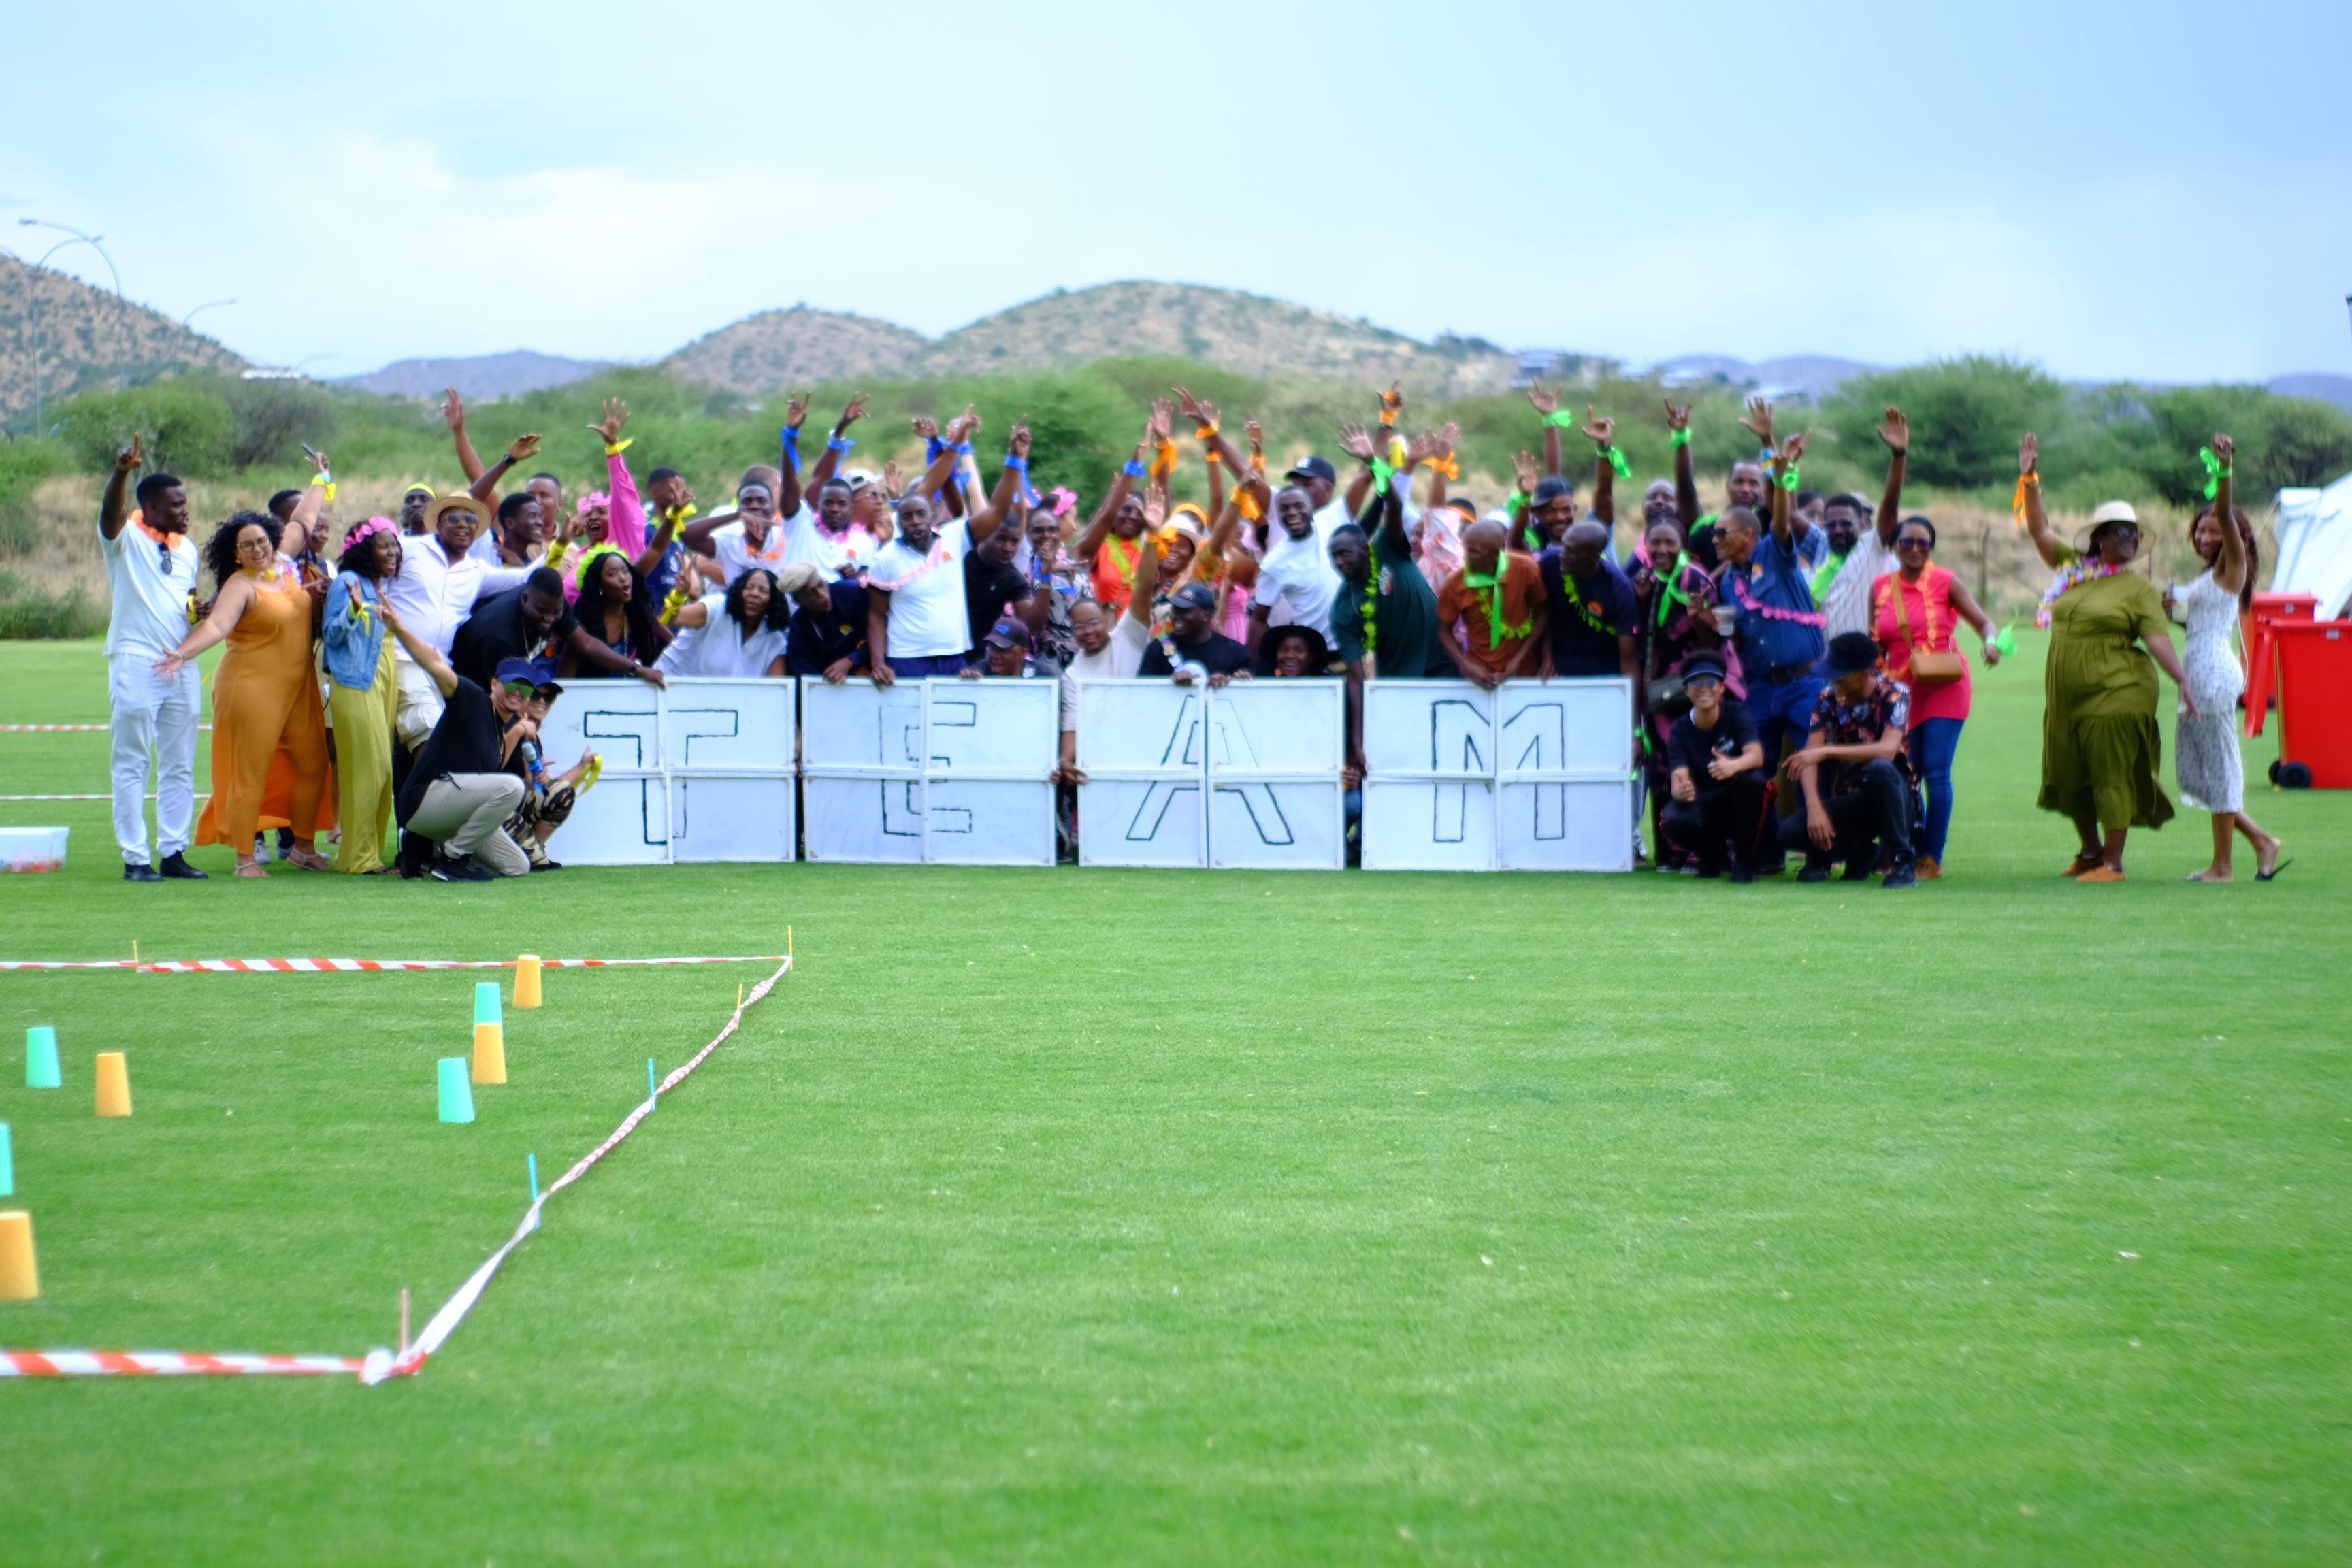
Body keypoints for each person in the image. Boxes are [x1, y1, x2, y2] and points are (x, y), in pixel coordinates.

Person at [2016, 435, 2193, 881]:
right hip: (2068, 698)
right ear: (2098, 539)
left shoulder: (2137, 589)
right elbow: (2039, 530)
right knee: (2068, 771)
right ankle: (2091, 852)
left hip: (2118, 691)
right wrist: (2029, 478)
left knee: (2111, 772)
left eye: (2135, 534)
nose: (2131, 539)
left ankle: (2113, 863)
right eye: (2122, 532)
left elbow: (2157, 639)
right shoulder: (2074, 568)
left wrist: (2182, 680)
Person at [154, 489, 336, 877]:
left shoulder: (283, 564)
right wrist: (183, 654)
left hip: (298, 686)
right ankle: (245, 859)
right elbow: (218, 626)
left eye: (262, 542)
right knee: (249, 771)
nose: (257, 550)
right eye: (247, 546)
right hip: (251, 687)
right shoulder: (239, 584)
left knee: (313, 763)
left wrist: (320, 481)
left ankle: (303, 847)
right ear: (236, 554)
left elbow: (303, 521)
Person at [2172, 436, 2284, 881]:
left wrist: (2224, 468)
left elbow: (2223, 510)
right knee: (2199, 772)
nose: (2205, 536)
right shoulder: (2208, 576)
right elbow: (2196, 627)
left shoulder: (2232, 565)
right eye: (2200, 531)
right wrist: (2175, 614)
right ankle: (2261, 841)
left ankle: (2223, 866)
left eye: (2213, 531)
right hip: (2198, 672)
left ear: (2233, 535)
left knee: (2219, 769)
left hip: (2214, 674)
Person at [1714, 427, 1827, 869]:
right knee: (1753, 767)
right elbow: (1736, 636)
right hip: (1762, 687)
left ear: (1747, 534)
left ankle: (1819, 856)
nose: (1715, 539)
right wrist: (1710, 620)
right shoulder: (1729, 580)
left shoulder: (1773, 553)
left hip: (1804, 681)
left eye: (1722, 533)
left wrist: (1779, 478)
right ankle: (1764, 854)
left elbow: (1780, 521)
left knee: (1810, 763)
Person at [96, 438, 207, 880]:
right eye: (176, 505)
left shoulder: (187, 549)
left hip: (181, 664)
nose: (185, 511)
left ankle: (174, 852)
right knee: (132, 761)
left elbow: (186, 602)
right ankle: (136, 858)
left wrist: (200, 610)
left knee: (180, 763)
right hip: (137, 661)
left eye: (185, 503)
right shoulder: (124, 538)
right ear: (151, 508)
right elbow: (110, 513)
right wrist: (122, 471)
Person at [1869, 514, 2001, 878]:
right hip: (1901, 691)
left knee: (1936, 771)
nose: (1915, 549)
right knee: (1907, 772)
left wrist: (1990, 644)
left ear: (1931, 548)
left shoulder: (1946, 582)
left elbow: (1985, 622)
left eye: (1923, 543)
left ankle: (1931, 857)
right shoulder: (1880, 587)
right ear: (1895, 546)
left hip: (1944, 684)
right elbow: (1875, 642)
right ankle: (1906, 849)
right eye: (1907, 542)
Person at [382, 608, 536, 882]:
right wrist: (398, 629)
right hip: (423, 802)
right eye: (511, 684)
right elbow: (434, 663)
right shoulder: (474, 699)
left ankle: (432, 851)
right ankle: (452, 858)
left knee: (517, 866)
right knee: (512, 786)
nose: (517, 692)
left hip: (453, 814)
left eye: (525, 689)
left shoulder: (498, 737)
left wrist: (519, 730)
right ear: (494, 684)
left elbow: (489, 778)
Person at [868, 421, 1022, 684]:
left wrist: (1015, 458)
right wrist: (878, 663)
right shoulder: (885, 559)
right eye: (907, 517)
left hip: (954, 659)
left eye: (921, 514)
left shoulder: (955, 537)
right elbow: (876, 615)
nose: (915, 521)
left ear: (934, 514)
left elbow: (997, 510)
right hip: (906, 661)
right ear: (899, 521)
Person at [384, 493, 534, 750]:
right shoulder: (409, 549)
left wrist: (563, 545)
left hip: (440, 668)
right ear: (438, 525)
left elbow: (525, 577)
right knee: (429, 733)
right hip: (401, 657)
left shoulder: (476, 571)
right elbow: (375, 581)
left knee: (441, 738)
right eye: (454, 518)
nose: (463, 524)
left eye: (471, 519)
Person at [1777, 632, 1918, 888]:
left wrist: (1827, 751)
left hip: (1896, 799)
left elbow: (1887, 750)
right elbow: (1809, 756)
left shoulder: (1895, 694)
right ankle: (1857, 852)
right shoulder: (1828, 698)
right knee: (1787, 832)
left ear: (1864, 674)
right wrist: (1814, 808)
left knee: (1880, 768)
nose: (1834, 682)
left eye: (1840, 677)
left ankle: (1903, 862)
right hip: (1854, 800)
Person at [321, 516, 403, 873]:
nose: (393, 551)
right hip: (357, 683)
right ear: (365, 549)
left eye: (395, 545)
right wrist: (354, 611)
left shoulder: (377, 586)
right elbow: (331, 635)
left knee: (382, 773)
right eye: (384, 545)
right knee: (373, 770)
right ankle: (359, 857)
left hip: (384, 683)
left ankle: (369, 854)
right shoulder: (348, 583)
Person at [453, 566, 664, 690]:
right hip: (470, 682)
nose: (549, 619)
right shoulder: (500, 634)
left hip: (509, 676)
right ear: (524, 599)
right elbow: (502, 695)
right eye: (542, 611)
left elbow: (586, 644)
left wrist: (637, 669)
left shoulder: (552, 604)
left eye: (555, 613)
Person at [1660, 655, 1766, 881]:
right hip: (1706, 800)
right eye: (1695, 683)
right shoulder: (1679, 728)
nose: (1703, 688)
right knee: (1671, 819)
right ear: (1686, 690)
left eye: (1710, 681)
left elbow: (1756, 756)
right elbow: (1679, 777)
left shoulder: (1736, 712)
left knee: (1752, 782)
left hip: (1740, 798)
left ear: (1722, 687)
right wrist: (1681, 790)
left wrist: (1732, 766)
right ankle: (1713, 857)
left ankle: (1744, 860)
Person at [1434, 517, 1547, 688]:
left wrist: (1518, 660)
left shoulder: (1525, 568)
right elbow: (1444, 632)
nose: (1466, 557)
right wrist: (1466, 665)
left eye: (1473, 552)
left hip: (1524, 673)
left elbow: (1543, 614)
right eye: (1466, 549)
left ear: (1495, 553)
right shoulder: (1455, 582)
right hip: (1479, 676)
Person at [502, 679, 593, 872]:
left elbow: (550, 791)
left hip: (515, 805)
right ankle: (533, 855)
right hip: (496, 806)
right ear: (524, 696)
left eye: (549, 697)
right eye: (536, 695)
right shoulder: (508, 727)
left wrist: (583, 765)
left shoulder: (533, 736)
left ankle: (536, 852)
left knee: (565, 794)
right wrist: (529, 781)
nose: (543, 702)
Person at [659, 565, 791, 677]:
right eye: (749, 587)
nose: (754, 593)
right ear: (740, 591)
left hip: (716, 698)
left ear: (773, 600)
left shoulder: (775, 640)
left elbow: (778, 690)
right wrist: (679, 595)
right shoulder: (717, 607)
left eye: (763, 591)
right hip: (668, 684)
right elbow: (669, 618)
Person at [563, 545, 666, 678]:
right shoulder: (583, 624)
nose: (623, 578)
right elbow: (565, 679)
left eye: (625, 571)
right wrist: (636, 669)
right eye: (613, 574)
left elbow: (673, 645)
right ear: (600, 586)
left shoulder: (637, 614)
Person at [1139, 582, 1252, 685]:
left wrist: (1231, 683)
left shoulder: (1235, 653)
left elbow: (1249, 694)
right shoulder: (1158, 648)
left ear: (1206, 616)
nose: (1175, 616)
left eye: (1184, 610)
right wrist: (1171, 683)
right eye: (1174, 610)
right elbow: (1143, 690)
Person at [783, 561, 871, 682]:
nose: (823, 595)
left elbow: (883, 633)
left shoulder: (852, 592)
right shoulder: (799, 626)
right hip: (831, 684)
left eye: (821, 584)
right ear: (798, 601)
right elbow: (804, 673)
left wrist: (852, 660)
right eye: (811, 593)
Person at [1257, 624, 1333, 677]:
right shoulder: (1266, 687)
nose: (1290, 655)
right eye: (1283, 650)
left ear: (1311, 657)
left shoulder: (1330, 688)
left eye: (1299, 651)